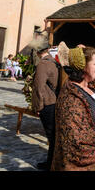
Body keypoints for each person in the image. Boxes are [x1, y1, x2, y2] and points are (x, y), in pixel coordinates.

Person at [51, 45, 95, 171]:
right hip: (85, 162)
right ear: (83, 67)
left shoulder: (90, 87)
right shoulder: (70, 98)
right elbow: (75, 142)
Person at [31, 39, 59, 171]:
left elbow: (38, 88)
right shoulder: (53, 62)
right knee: (53, 135)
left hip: (47, 103)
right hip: (54, 102)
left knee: (51, 136)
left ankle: (51, 164)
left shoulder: (43, 64)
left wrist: (37, 107)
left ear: (37, 52)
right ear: (47, 50)